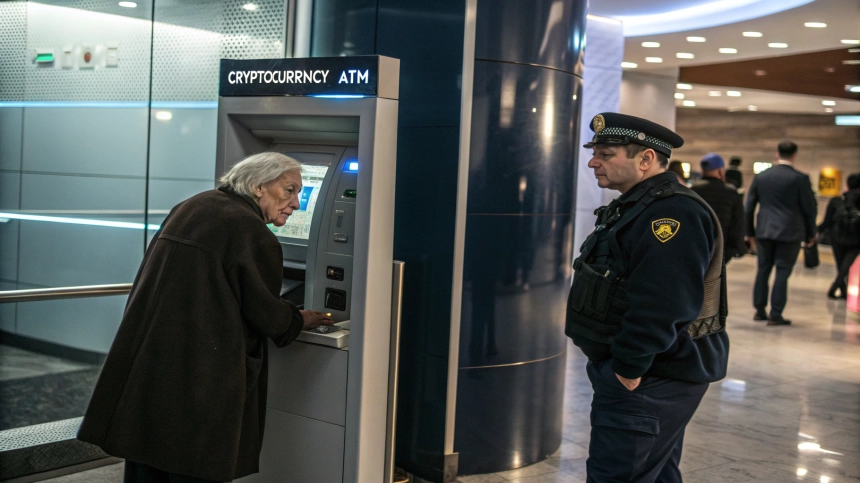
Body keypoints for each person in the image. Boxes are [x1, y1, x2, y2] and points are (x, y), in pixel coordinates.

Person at [78, 152, 334, 483]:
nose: (296, 203)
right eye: (289, 190)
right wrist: (303, 318)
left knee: (148, 461)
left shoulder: (193, 206)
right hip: (201, 378)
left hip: (152, 366)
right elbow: (268, 317)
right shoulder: (249, 230)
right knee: (195, 466)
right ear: (258, 186)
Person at [566, 113, 729, 483]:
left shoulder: (672, 212)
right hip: (647, 370)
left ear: (646, 159)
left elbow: (664, 302)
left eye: (606, 154)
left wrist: (627, 369)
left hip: (652, 373)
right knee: (653, 474)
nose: (593, 161)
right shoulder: (639, 203)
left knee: (618, 474)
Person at [745, 141, 818, 326]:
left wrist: (749, 232)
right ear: (795, 155)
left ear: (777, 154)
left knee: (763, 270)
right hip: (790, 232)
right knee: (783, 272)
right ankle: (776, 313)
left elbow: (749, 207)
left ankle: (759, 310)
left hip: (765, 230)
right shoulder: (800, 178)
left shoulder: (761, 177)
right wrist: (811, 234)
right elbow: (809, 209)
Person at [691, 153, 746, 263]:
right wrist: (738, 247)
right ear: (721, 171)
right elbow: (738, 221)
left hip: (696, 244)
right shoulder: (730, 191)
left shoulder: (694, 189)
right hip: (722, 245)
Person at [818, 173, 860, 299]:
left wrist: (814, 232)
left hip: (836, 238)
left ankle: (840, 287)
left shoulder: (836, 201)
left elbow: (827, 222)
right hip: (856, 240)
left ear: (847, 185)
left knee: (840, 265)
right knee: (846, 266)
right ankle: (839, 287)